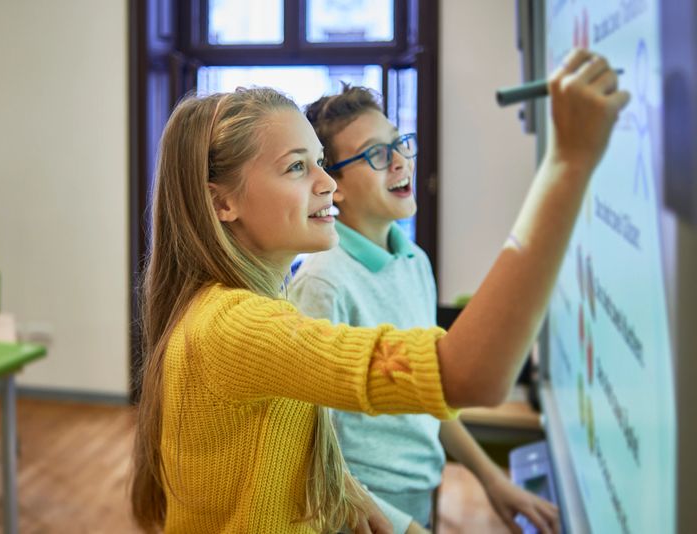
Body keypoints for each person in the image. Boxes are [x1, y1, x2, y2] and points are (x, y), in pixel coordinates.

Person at [130, 48, 628, 533]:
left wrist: (358, 497)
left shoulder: (247, 308)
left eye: (320, 161)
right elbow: (471, 374)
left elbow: (284, 454)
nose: (328, 184)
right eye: (296, 167)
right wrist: (568, 163)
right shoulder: (239, 324)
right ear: (222, 204)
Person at [291, 84, 558, 534]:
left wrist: (492, 480)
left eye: (399, 143)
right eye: (376, 153)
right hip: (359, 515)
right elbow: (312, 455)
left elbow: (430, 393)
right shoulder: (322, 283)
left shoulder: (414, 260)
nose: (399, 161)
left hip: (419, 498)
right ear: (332, 186)